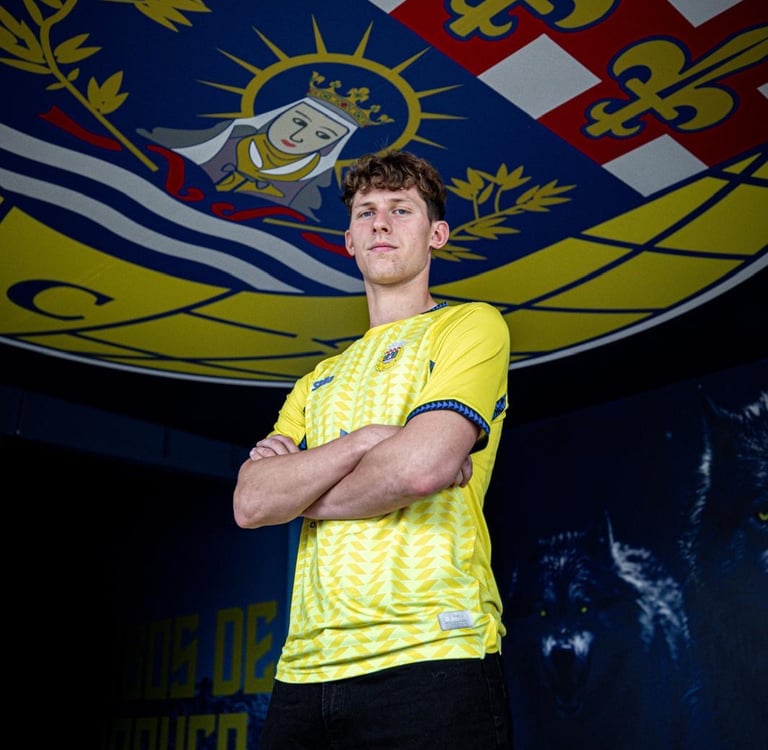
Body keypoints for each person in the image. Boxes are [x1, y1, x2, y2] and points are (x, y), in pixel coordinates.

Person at [233, 149, 514, 749]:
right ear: (349, 241)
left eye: (400, 209)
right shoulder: (316, 380)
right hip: (306, 669)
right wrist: (365, 441)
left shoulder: (471, 327)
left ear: (437, 235)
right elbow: (252, 503)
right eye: (366, 212)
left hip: (435, 651)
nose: (380, 223)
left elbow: (420, 470)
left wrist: (302, 492)